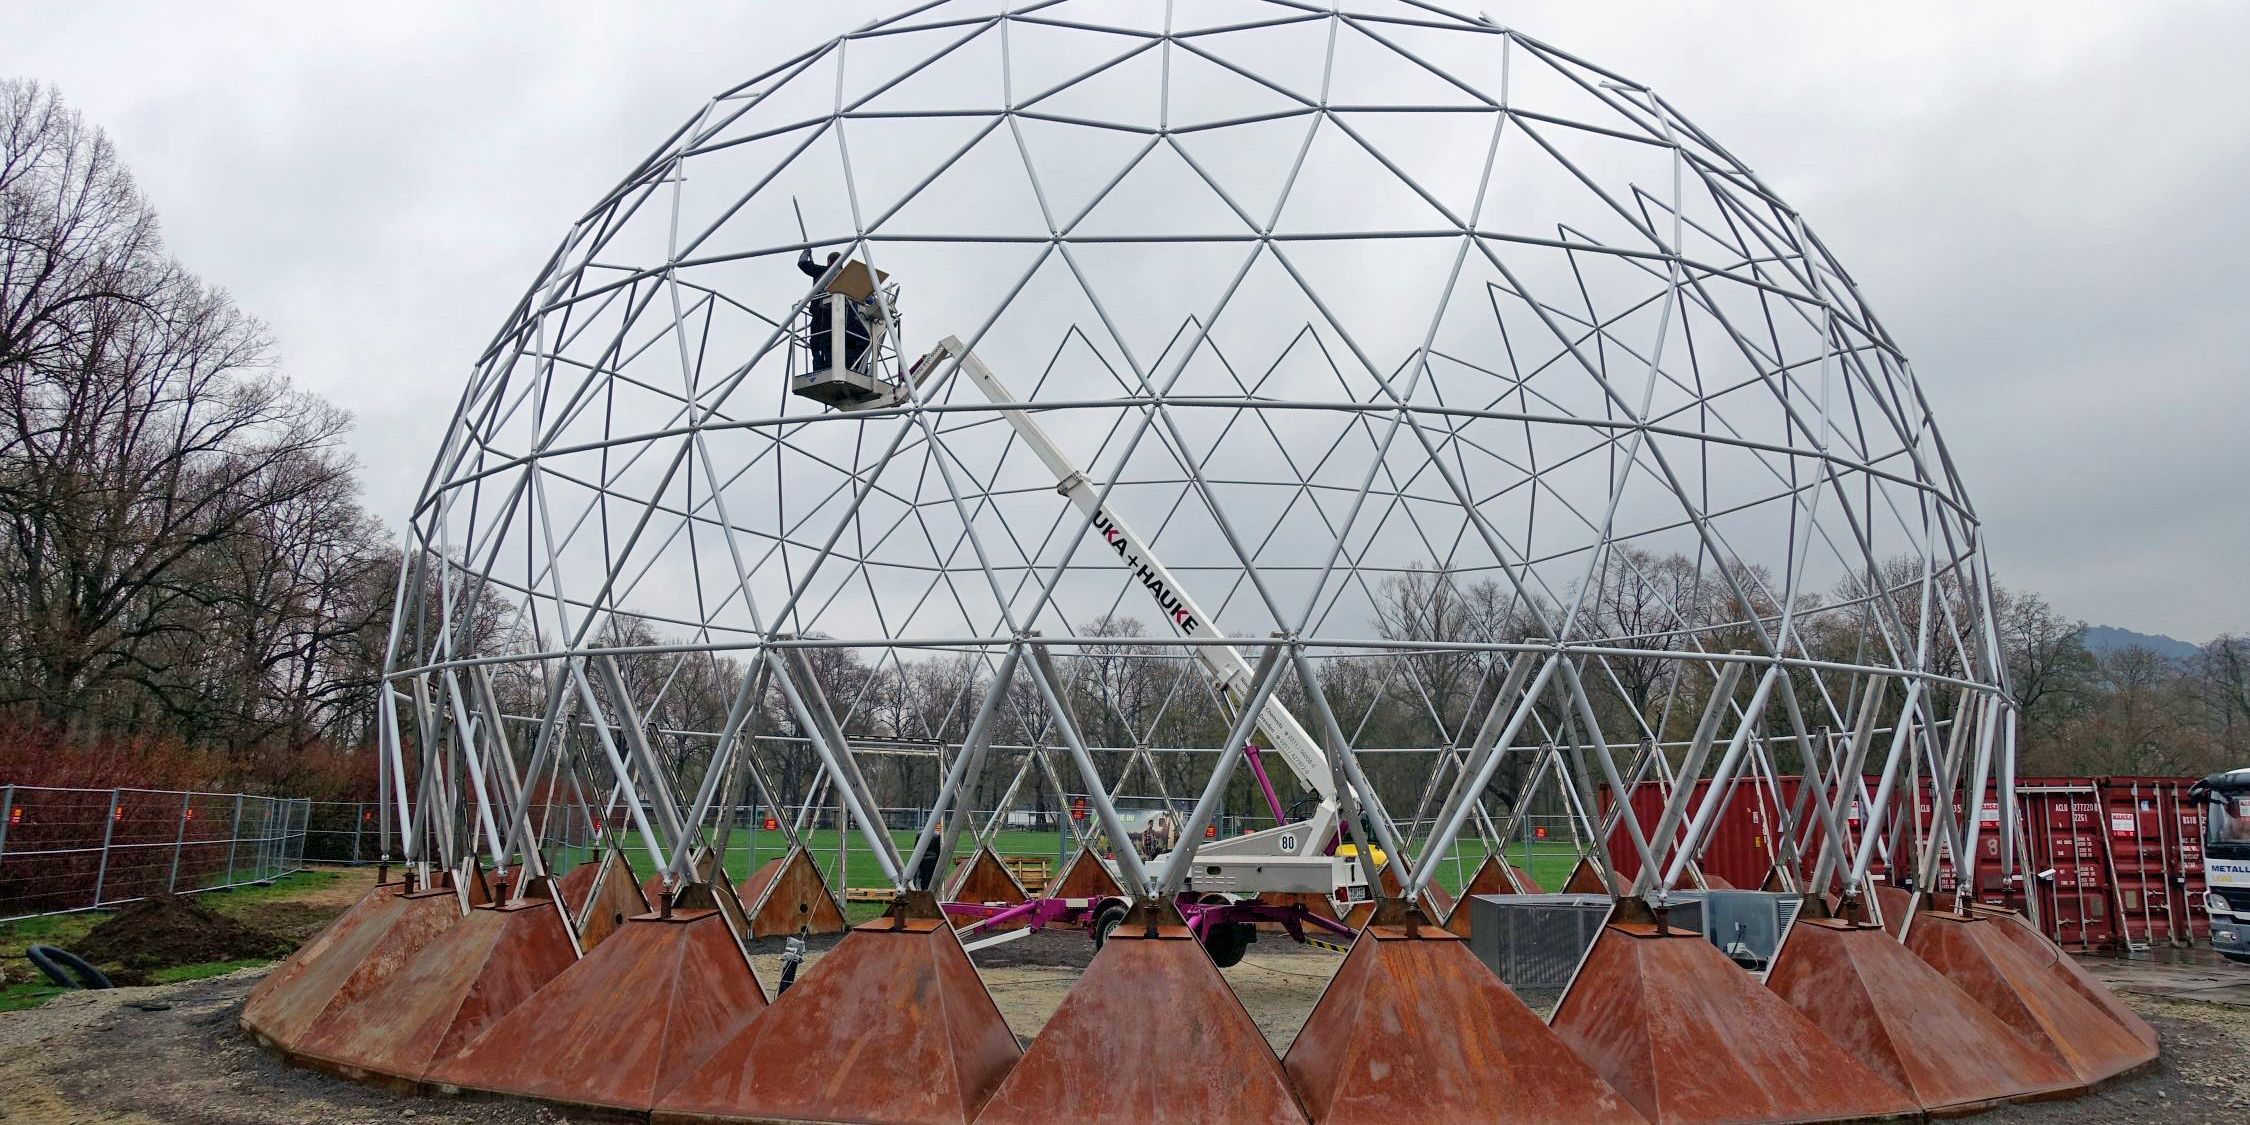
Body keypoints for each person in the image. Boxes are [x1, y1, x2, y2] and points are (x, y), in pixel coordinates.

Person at [796, 248, 871, 372]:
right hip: (846, 318)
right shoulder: (848, 278)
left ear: (829, 262)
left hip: (822, 315)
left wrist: (806, 252)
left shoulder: (823, 272)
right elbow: (867, 297)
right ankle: (854, 367)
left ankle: (821, 368)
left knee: (819, 342)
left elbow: (802, 264)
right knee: (845, 343)